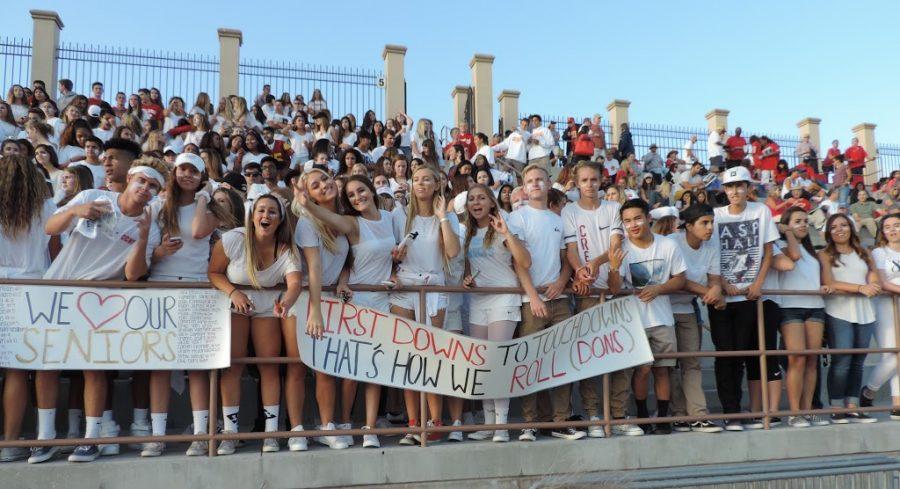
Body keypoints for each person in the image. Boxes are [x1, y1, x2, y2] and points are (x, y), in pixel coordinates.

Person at [42, 159, 169, 463]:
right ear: (129, 179)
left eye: (153, 186)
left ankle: (91, 438)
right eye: (142, 181)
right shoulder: (91, 198)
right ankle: (43, 438)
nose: (145, 189)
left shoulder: (151, 226)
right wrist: (74, 211)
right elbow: (50, 227)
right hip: (57, 290)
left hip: (97, 301)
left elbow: (133, 274)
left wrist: (142, 238)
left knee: (94, 369)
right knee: (45, 364)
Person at [207, 193, 303, 455]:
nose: (266, 216)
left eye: (272, 212)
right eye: (261, 210)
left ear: (281, 219)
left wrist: (286, 300)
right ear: (252, 216)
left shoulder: (286, 248)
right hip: (235, 302)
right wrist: (233, 292)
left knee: (269, 365)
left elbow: (295, 283)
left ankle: (270, 433)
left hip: (268, 305)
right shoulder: (234, 239)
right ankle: (230, 432)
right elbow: (214, 272)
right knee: (233, 365)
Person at [140, 153, 220, 457]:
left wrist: (202, 198)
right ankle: (157, 435)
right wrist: (159, 252)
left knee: (197, 364)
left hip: (197, 286)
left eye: (194, 171)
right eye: (182, 169)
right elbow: (146, 254)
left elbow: (200, 231)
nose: (186, 174)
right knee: (160, 365)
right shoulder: (158, 205)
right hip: (161, 286)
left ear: (202, 177)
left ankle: (201, 433)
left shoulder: (211, 206)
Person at [506, 164, 581, 441]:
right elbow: (518, 263)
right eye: (530, 181)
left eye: (539, 179)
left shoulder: (559, 220)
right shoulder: (518, 217)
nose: (535, 184)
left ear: (548, 184)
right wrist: (533, 297)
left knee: (561, 361)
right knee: (529, 362)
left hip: (560, 300)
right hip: (531, 301)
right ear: (524, 188)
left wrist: (562, 281)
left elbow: (565, 260)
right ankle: (530, 422)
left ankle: (561, 420)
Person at [390, 166, 460, 443]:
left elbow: (453, 252)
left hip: (433, 287)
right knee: (408, 357)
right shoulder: (398, 216)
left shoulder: (448, 217)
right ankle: (412, 422)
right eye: (416, 179)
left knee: (431, 355)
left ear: (436, 184)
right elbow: (390, 257)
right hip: (404, 287)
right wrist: (395, 259)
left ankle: (435, 420)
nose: (420, 184)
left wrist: (442, 217)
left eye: (426, 179)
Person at [709, 166, 781, 431]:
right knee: (724, 354)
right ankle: (731, 411)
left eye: (740, 186)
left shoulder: (760, 211)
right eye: (730, 187)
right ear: (724, 190)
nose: (735, 191)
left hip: (749, 297)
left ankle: (738, 409)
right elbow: (708, 253)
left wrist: (758, 284)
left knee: (742, 354)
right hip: (722, 296)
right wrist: (722, 282)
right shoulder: (715, 216)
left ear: (748, 187)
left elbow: (769, 251)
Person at [561, 162, 631, 437]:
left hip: (615, 288)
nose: (589, 184)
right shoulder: (569, 211)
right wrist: (581, 272)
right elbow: (571, 249)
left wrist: (592, 265)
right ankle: (592, 414)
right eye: (584, 180)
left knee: (620, 356)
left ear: (602, 181)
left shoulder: (614, 208)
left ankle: (619, 414)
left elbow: (615, 246)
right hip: (587, 293)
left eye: (594, 179)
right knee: (588, 357)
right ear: (576, 183)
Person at [608, 198, 686, 435]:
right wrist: (612, 266)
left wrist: (659, 289)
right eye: (627, 221)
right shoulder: (622, 250)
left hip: (663, 319)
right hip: (635, 321)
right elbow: (613, 288)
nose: (633, 225)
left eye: (637, 218)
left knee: (663, 370)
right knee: (641, 370)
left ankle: (662, 418)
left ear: (648, 218)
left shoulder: (668, 245)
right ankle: (642, 415)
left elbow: (680, 278)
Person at [460, 184, 531, 442]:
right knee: (482, 364)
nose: (475, 202)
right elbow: (468, 269)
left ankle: (501, 424)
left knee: (497, 362)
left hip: (504, 299)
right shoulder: (467, 233)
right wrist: (467, 280)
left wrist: (507, 233)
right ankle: (488, 423)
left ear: (492, 202)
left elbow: (525, 262)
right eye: (471, 199)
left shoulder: (504, 226)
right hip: (478, 302)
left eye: (481, 198)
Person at [291, 169, 355, 450]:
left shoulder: (343, 217)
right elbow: (314, 268)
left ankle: (326, 426)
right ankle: (296, 431)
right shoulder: (306, 223)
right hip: (307, 300)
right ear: (309, 195)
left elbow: (351, 257)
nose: (324, 185)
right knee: (296, 368)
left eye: (326, 179)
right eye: (315, 185)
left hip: (330, 299)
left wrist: (343, 279)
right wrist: (315, 310)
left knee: (327, 367)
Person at [0, 155, 57, 463]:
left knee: (14, 371)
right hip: (37, 289)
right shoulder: (47, 208)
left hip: (3, 288)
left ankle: (9, 441)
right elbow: (57, 252)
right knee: (36, 367)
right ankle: (38, 438)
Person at [819, 213, 880, 423]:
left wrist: (871, 283)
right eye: (834, 227)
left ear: (851, 228)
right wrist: (861, 288)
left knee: (858, 361)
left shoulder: (863, 251)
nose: (840, 229)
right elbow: (830, 282)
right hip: (838, 311)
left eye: (844, 225)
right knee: (842, 360)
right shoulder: (825, 254)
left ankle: (852, 405)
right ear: (828, 232)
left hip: (865, 312)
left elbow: (873, 274)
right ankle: (836, 406)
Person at [668, 204, 724, 433]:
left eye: (711, 222)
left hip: (688, 310)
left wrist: (716, 290)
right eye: (704, 223)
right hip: (663, 309)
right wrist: (706, 292)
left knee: (691, 362)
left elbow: (715, 280)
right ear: (688, 226)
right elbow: (677, 279)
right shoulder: (672, 242)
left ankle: (698, 415)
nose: (710, 227)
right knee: (669, 363)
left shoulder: (711, 246)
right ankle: (678, 415)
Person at [777, 207, 829, 428]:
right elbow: (793, 258)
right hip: (790, 307)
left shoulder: (812, 250)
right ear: (786, 224)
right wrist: (787, 233)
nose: (803, 225)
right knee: (796, 359)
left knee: (811, 360)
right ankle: (795, 412)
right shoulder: (780, 245)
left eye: (806, 221)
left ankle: (808, 411)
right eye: (797, 221)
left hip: (815, 306)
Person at [860, 213, 900, 418]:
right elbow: (883, 282)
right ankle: (869, 391)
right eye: (887, 227)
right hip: (886, 304)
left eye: (897, 225)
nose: (892, 230)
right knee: (894, 354)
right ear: (882, 232)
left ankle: (897, 404)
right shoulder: (879, 252)